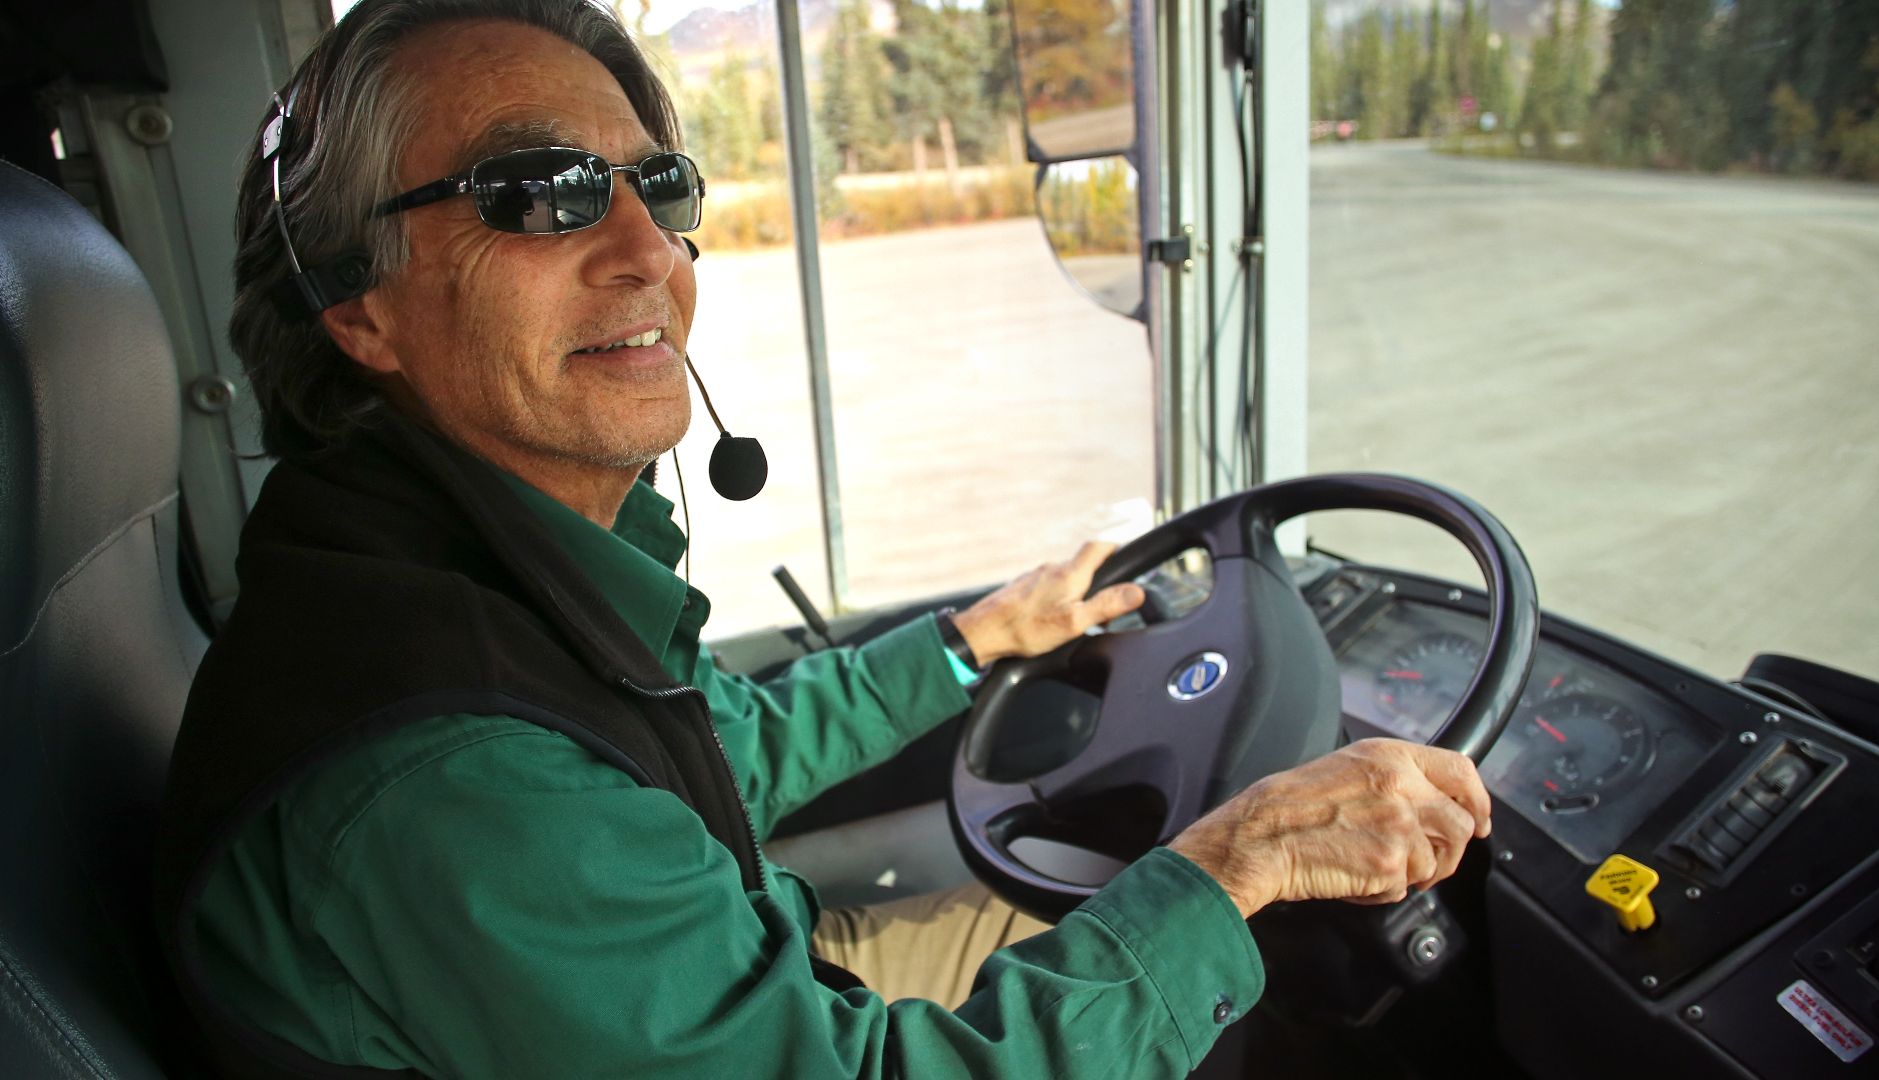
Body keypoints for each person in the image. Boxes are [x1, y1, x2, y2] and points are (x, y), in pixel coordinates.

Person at [155, 2, 1494, 1077]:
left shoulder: (461, 582)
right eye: (540, 191)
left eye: (655, 184)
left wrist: (976, 639)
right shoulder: (455, 776)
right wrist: (1232, 859)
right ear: (356, 304)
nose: (650, 253)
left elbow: (712, 753)